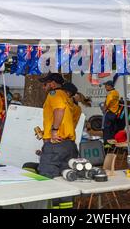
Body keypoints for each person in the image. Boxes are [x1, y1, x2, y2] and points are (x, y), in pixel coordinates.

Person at [38, 73, 78, 209]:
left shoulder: (54, 94)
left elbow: (59, 110)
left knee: (48, 179)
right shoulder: (68, 99)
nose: (44, 87)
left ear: (53, 84)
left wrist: (54, 130)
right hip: (68, 144)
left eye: (45, 84)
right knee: (67, 179)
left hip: (56, 145)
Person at [102, 80, 121, 149]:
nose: (105, 87)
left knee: (107, 129)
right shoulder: (116, 92)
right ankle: (113, 145)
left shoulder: (110, 94)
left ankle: (107, 145)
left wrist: (104, 110)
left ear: (110, 86)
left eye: (106, 86)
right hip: (115, 113)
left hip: (110, 113)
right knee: (113, 129)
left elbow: (107, 105)